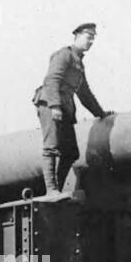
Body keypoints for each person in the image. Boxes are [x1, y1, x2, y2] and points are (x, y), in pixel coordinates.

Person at [32, 23, 113, 196]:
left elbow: (84, 94)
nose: (91, 41)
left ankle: (57, 188)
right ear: (76, 35)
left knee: (71, 152)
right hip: (49, 103)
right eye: (88, 36)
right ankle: (51, 190)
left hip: (65, 108)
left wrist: (101, 113)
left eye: (93, 37)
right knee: (51, 147)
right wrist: (54, 106)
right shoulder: (64, 55)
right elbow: (52, 80)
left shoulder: (78, 63)